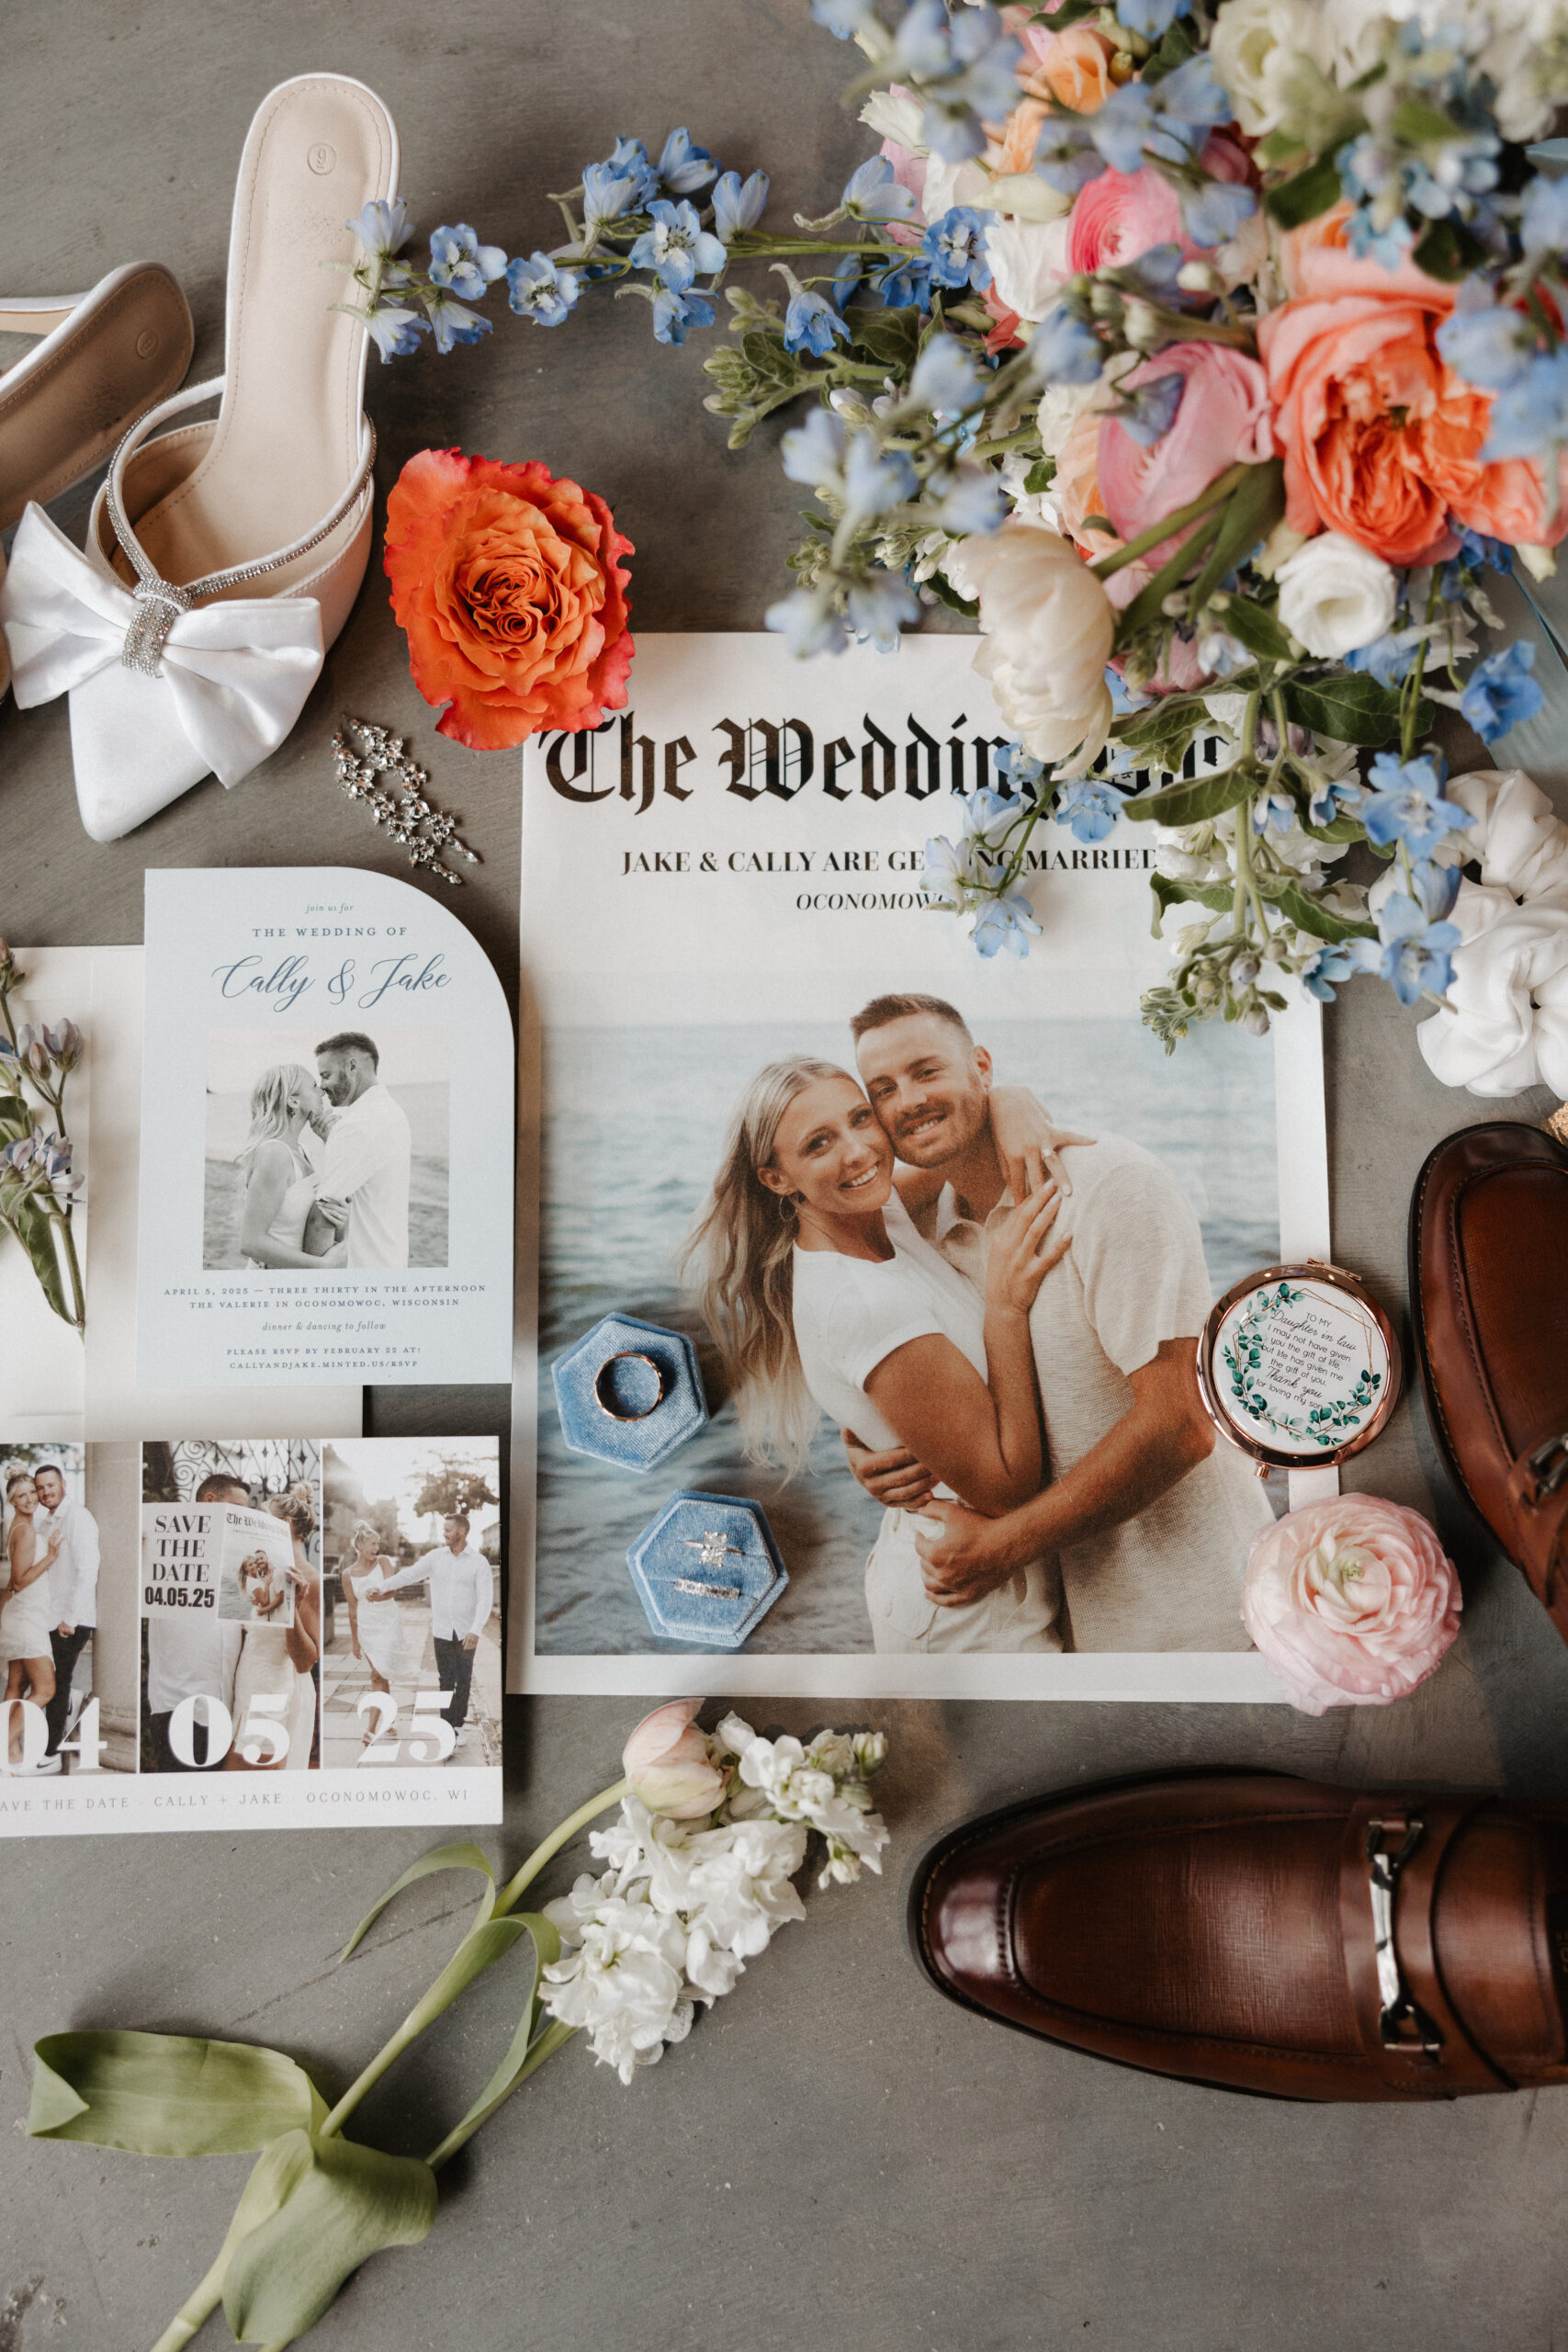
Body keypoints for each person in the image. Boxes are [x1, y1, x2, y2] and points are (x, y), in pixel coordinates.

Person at [844, 994, 1274, 1652]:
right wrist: (867, 1444)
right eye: (883, 1091)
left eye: (926, 1071)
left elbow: (1181, 1425)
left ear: (980, 1067)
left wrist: (998, 1548)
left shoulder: (1109, 1188)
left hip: (1192, 1615)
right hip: (1046, 1631)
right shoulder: (921, 1233)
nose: (907, 1101)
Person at [686, 1057, 1069, 1653]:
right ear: (776, 1179)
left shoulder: (872, 1212)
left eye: (861, 1118)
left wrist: (1008, 1097)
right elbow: (1007, 1489)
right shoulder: (863, 1300)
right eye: (819, 1144)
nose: (859, 1150)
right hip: (967, 1612)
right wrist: (1004, 1308)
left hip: (974, 1578)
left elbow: (964, 1150)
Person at [374, 1513, 493, 1747]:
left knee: (464, 1680)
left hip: (467, 1632)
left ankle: (458, 1725)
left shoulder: (479, 1562)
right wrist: (381, 1587)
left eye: (448, 1530)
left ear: (461, 1532)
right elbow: (409, 1575)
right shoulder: (436, 1557)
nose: (444, 1533)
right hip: (442, 1631)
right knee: (445, 1680)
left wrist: (476, 1630)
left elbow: (485, 1599)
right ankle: (447, 1726)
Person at [311, 1030, 412, 1269]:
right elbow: (365, 1182)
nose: (323, 1086)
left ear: (352, 1066)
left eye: (326, 1075)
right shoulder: (391, 1112)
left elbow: (324, 1212)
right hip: (388, 1257)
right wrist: (332, 1141)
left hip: (362, 1264)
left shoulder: (357, 1126)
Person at [235, 1064, 345, 1271]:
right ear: (293, 1100)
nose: (322, 1091)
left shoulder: (302, 1151)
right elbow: (250, 1242)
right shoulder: (274, 1154)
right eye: (314, 1086)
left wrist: (330, 1142)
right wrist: (321, 1265)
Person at [33, 1458, 100, 1760]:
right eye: (40, 1488)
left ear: (63, 1485)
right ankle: (59, 1728)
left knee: (58, 1687)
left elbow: (88, 1569)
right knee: (51, 1685)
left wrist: (70, 1619)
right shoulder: (47, 1521)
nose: (46, 1492)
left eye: (50, 1485)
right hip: (51, 1618)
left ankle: (49, 1753)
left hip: (70, 1621)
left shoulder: (77, 1516)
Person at [3, 1469, 61, 1770]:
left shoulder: (21, 1526)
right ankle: (3, 1746)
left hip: (21, 1615)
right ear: (12, 1501)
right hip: (27, 1618)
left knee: (16, 1683)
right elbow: (19, 1580)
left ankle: (11, 1751)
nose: (29, 1499)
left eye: (32, 1492)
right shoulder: (24, 1531)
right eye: (21, 1495)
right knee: (45, 1690)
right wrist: (50, 1558)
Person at [340, 1518, 402, 1741]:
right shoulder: (347, 1574)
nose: (376, 1549)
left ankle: (371, 1728)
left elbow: (392, 1590)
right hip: (367, 1627)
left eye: (378, 1544)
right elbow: (352, 1609)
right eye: (372, 1544)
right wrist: (355, 1641)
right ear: (359, 1546)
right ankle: (390, 1716)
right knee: (380, 1673)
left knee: (378, 1673)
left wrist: (378, 1595)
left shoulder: (384, 1561)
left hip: (387, 1622)